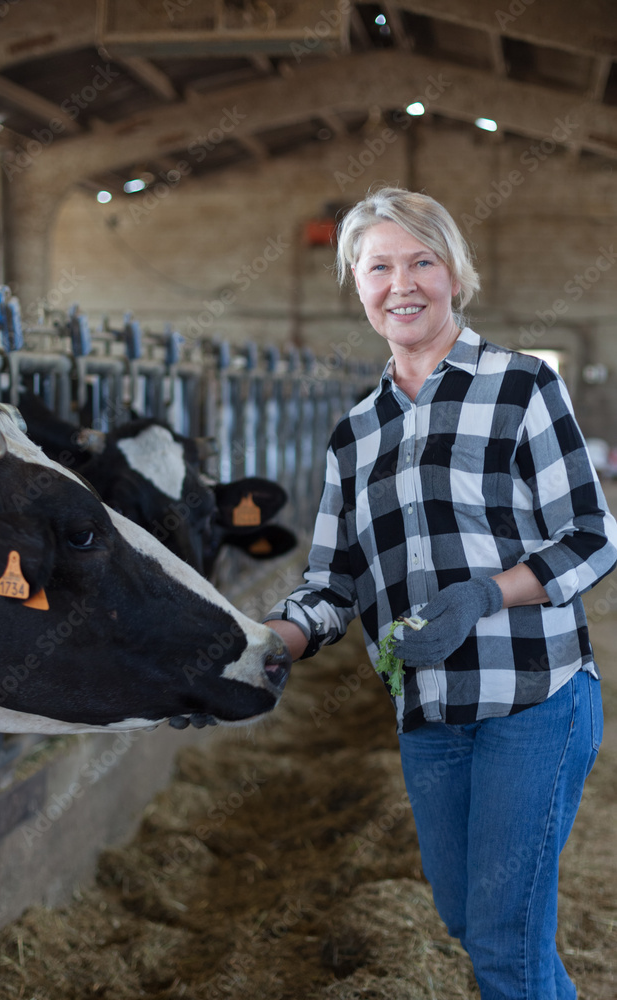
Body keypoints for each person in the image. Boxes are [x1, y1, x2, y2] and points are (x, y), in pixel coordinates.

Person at [264, 185, 617, 999]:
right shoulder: (356, 432)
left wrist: (484, 596)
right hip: (428, 711)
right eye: (378, 267)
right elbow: (333, 580)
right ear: (356, 285)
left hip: (534, 696)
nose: (402, 284)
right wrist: (263, 647)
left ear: (454, 273)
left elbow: (592, 535)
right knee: (468, 919)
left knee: (502, 939)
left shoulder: (521, 386)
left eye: (421, 261)